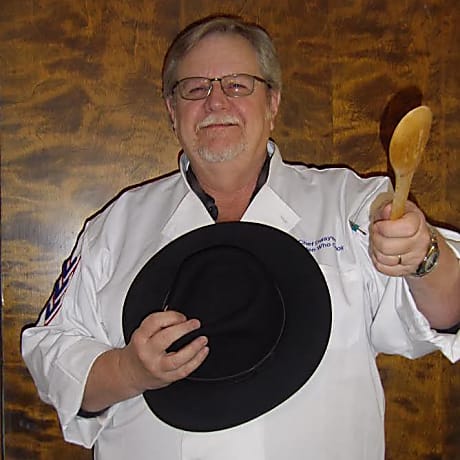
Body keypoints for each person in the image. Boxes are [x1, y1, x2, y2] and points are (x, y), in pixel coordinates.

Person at [22, 14, 460, 460]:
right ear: (172, 111)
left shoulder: (352, 204)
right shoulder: (115, 226)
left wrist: (425, 256)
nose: (216, 102)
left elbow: (448, 310)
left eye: (237, 85)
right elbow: (51, 357)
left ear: (272, 103)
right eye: (195, 88)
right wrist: (129, 371)